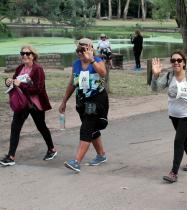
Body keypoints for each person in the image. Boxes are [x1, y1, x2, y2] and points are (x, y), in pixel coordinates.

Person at [151, 50, 187, 183]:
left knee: (178, 140)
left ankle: (173, 172)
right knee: (183, 138)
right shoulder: (169, 76)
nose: (176, 62)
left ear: (184, 63)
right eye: (173, 60)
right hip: (174, 114)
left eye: (179, 60)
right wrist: (155, 74)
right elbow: (155, 88)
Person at [0, 45, 57, 166]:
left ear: (33, 55)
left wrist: (21, 85)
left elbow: (38, 89)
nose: (24, 56)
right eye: (22, 53)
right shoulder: (20, 68)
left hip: (35, 104)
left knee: (41, 126)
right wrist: (8, 81)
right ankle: (11, 156)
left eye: (27, 53)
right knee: (15, 127)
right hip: (22, 103)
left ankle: (51, 149)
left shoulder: (38, 69)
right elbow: (15, 82)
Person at [59, 38, 109, 173]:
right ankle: (101, 155)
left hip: (96, 99)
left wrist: (91, 59)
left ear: (90, 49)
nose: (80, 52)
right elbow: (72, 84)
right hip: (82, 101)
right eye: (78, 50)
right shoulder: (76, 64)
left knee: (86, 127)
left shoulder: (97, 61)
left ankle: (76, 162)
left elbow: (103, 73)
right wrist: (64, 101)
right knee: (91, 129)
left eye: (83, 49)